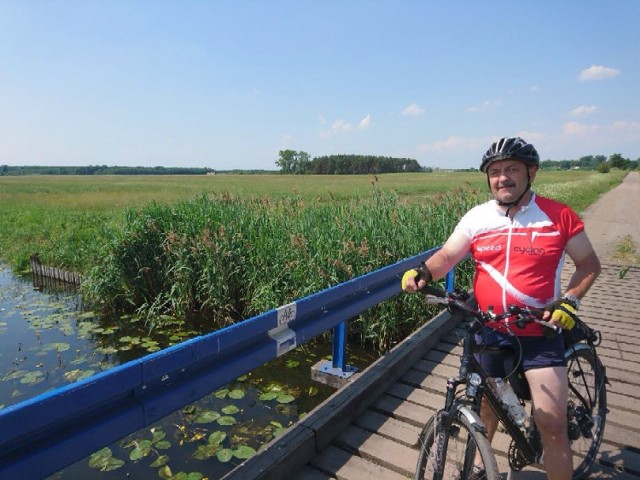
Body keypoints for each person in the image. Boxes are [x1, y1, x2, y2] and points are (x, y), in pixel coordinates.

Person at [402, 137, 601, 480]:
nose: (502, 177)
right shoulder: (478, 217)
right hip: (490, 327)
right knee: (486, 403)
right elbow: (448, 256)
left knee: (552, 424)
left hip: (540, 331)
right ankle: (481, 468)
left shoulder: (558, 216)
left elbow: (589, 264)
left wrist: (570, 300)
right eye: (495, 172)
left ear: (531, 173)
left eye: (511, 169)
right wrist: (424, 271)